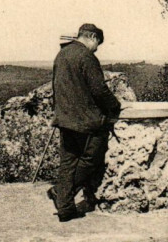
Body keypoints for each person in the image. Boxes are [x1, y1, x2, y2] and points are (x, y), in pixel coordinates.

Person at [47, 23, 122, 222]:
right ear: (90, 36)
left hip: (64, 119)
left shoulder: (61, 55)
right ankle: (60, 192)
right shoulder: (87, 57)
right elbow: (99, 90)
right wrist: (115, 106)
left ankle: (65, 209)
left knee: (68, 162)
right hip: (86, 121)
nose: (97, 48)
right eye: (97, 43)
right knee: (92, 158)